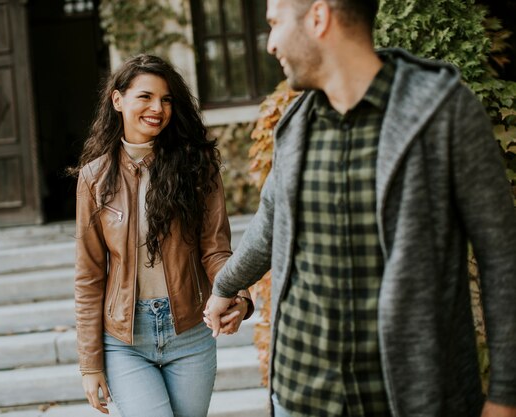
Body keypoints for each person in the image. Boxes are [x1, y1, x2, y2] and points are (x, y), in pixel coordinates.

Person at [203, 0, 516, 416]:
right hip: (299, 398)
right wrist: (225, 285)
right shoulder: (295, 126)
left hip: (408, 400)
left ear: (319, 17)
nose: (271, 44)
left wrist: (505, 395)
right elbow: (268, 226)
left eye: (275, 24)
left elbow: (502, 258)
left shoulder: (441, 112)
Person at [73, 54, 254, 417]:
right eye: (146, 96)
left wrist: (238, 298)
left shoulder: (197, 166)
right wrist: (90, 364)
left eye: (167, 99)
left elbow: (216, 250)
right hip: (125, 339)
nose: (158, 108)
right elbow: (89, 276)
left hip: (190, 331)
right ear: (118, 100)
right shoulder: (94, 177)